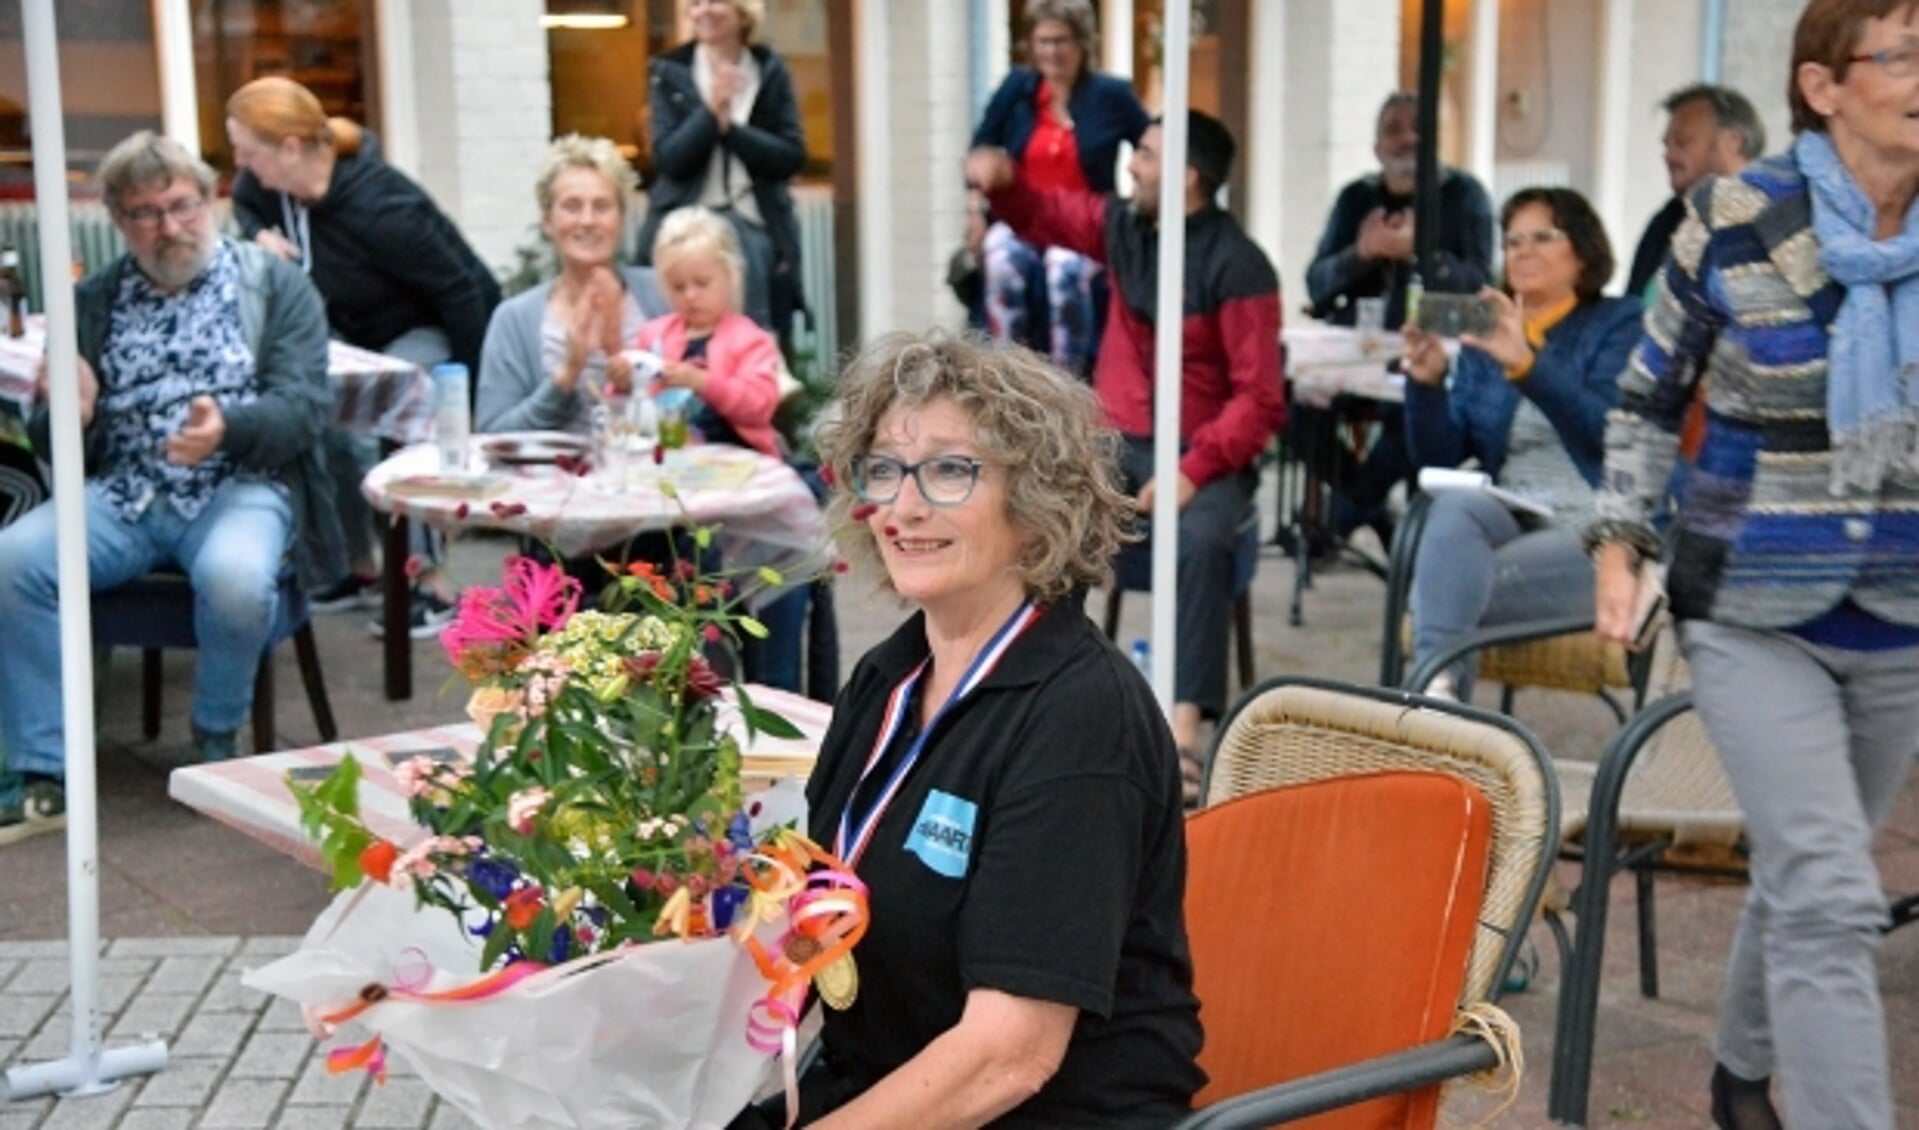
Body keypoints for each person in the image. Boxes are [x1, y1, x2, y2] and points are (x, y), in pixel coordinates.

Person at [728, 330, 1202, 1129]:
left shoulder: (1080, 719)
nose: (903, 507)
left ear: (1034, 497)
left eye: (949, 470)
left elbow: (1009, 1055)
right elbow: (818, 913)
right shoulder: (890, 675)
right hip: (889, 1086)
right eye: (885, 469)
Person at [1587, 3, 1919, 1125]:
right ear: (1823, 88)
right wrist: (1620, 542)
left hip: (1901, 618)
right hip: (1748, 608)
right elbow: (1643, 399)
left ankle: (1738, 1075)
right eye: (1903, 53)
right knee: (1832, 894)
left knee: (1799, 875)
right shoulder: (1729, 220)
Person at [0, 133, 343, 843]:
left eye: (180, 205)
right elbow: (51, 436)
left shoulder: (274, 286)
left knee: (236, 576)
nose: (168, 226)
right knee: (12, 563)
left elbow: (307, 411)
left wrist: (230, 428)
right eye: (144, 212)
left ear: (210, 199)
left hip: (240, 484)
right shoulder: (91, 301)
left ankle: (214, 741)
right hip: (125, 493)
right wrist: (72, 413)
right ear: (120, 222)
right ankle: (44, 771)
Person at [968, 110, 1285, 789]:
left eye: (1143, 155)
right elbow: (1046, 212)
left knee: (1199, 543)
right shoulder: (1124, 228)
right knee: (1038, 511)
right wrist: (1002, 183)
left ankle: (1182, 733)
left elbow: (1260, 400)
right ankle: (1032, 697)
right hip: (1117, 439)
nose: (1132, 166)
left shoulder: (1240, 266)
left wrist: (1191, 472)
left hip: (1203, 453)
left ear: (1187, 176)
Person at [226, 76, 502, 637]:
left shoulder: (384, 206)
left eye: (247, 151)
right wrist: (258, 236)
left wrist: (468, 399)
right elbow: (243, 203)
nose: (239, 162)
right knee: (322, 419)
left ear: (291, 148)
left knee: (404, 417)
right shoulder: (266, 188)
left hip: (429, 325)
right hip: (354, 332)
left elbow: (462, 292)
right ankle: (357, 567)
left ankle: (430, 582)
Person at [1398, 187, 1640, 701]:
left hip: (1598, 525)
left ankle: (1431, 703)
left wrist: (1527, 363)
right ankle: (1439, 707)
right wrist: (1427, 386)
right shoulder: (1489, 335)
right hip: (1513, 510)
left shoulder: (1619, 324)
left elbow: (1609, 433)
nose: (1522, 251)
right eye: (1511, 242)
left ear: (1583, 251)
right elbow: (1442, 456)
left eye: (1541, 237)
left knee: (1442, 590)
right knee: (1453, 509)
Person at [1301, 91, 1497, 549]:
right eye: (1394, 130)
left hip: (1431, 356)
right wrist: (1363, 254)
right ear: (1376, 147)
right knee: (1295, 408)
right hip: (1359, 354)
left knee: (1407, 414)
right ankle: (1368, 507)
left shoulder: (1465, 196)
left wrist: (1419, 253)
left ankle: (1345, 514)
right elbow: (1317, 282)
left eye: (1419, 130)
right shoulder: (1356, 200)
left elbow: (1482, 285)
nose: (1407, 138)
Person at [972, 0, 1149, 375]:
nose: (1052, 51)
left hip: (1081, 224)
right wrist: (975, 207)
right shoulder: (1018, 90)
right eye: (1043, 41)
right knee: (1001, 261)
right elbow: (982, 146)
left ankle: (1067, 382)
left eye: (1062, 40)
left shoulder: (1110, 94)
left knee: (1062, 271)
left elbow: (1151, 145)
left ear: (1083, 43)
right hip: (1022, 217)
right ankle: (1006, 376)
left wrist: (1139, 202)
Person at [476, 134, 670, 436]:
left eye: (602, 206)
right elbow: (492, 435)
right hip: (551, 478)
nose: (588, 220)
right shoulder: (513, 319)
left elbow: (699, 408)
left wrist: (625, 363)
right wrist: (566, 374)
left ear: (621, 220)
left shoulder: (664, 294)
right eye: (572, 206)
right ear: (547, 221)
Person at [639, 0, 807, 340]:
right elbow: (669, 158)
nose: (704, 11)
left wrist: (733, 131)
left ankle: (754, 370)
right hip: (682, 219)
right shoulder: (669, 71)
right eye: (695, 3)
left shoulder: (769, 70)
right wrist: (711, 112)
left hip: (751, 218)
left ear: (742, 11)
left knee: (743, 249)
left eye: (715, 1)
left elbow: (790, 156)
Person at [638, 206, 785, 459]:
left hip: (741, 459)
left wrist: (702, 382)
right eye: (678, 287)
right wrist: (623, 380)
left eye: (702, 283)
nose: (691, 295)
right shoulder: (653, 335)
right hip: (673, 459)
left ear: (731, 275)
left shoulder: (751, 340)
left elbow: (759, 406)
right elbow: (632, 402)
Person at [1624, 84, 1766, 300]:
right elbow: (1634, 309)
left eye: (1682, 142)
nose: (1669, 156)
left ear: (1732, 142)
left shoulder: (1772, 218)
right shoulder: (1667, 220)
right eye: (1667, 146)